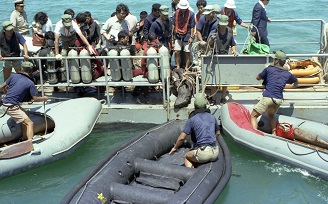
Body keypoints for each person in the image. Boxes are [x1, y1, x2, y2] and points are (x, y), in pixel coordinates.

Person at [250, 50, 298, 135]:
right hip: (278, 100)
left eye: (274, 59)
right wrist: (293, 86)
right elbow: (296, 82)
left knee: (253, 116)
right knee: (271, 115)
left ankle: (255, 135)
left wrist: (259, 75)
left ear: (276, 61)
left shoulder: (269, 69)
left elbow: (258, 77)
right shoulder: (287, 74)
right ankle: (274, 133)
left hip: (268, 97)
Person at [0, 61, 48, 141]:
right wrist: (44, 98)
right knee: (30, 123)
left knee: (26, 114)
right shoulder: (30, 83)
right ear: (31, 71)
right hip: (12, 107)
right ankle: (29, 143)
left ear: (21, 69)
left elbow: (2, 87)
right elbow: (35, 99)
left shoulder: (13, 76)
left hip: (6, 104)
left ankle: (24, 137)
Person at [169, 95, 220, 168]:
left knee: (186, 157)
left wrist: (175, 147)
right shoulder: (212, 117)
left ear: (195, 107)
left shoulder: (192, 120)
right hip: (215, 152)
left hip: (204, 153)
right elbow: (218, 133)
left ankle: (191, 172)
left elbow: (182, 138)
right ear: (206, 106)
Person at [207, 15, 238, 105]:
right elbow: (208, 45)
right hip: (215, 55)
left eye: (224, 25)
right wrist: (211, 40)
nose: (223, 26)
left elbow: (232, 44)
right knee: (214, 79)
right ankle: (213, 97)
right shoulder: (213, 32)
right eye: (221, 25)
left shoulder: (230, 32)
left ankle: (223, 98)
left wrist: (234, 51)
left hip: (225, 57)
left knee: (225, 79)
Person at [172, 0, 196, 70]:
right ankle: (178, 66)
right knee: (176, 51)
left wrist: (191, 37)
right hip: (177, 34)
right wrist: (172, 36)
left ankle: (186, 67)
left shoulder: (191, 14)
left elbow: (192, 26)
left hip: (187, 35)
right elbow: (173, 24)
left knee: (187, 52)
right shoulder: (176, 13)